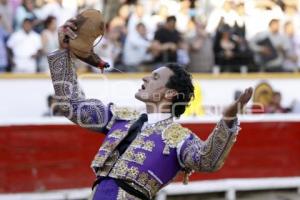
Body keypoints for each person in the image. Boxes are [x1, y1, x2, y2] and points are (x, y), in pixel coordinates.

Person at [47, 18, 253, 200]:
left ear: (170, 93)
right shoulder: (119, 117)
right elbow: (71, 105)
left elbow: (207, 161)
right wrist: (64, 53)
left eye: (155, 77)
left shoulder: (178, 138)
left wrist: (228, 120)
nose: (145, 77)